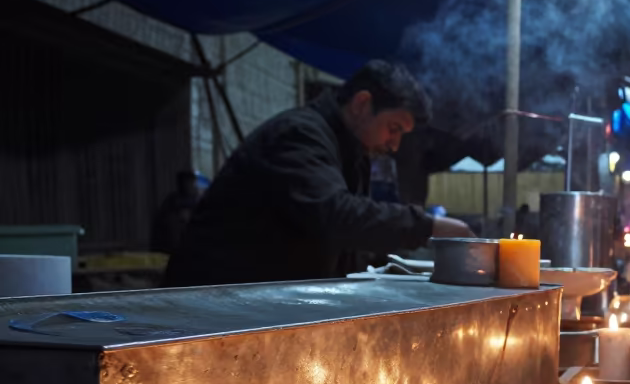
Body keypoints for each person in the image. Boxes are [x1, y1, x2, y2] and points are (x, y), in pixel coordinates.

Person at [164, 61, 472, 287]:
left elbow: (348, 245)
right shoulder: (299, 135)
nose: (394, 145)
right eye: (393, 129)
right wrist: (430, 225)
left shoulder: (353, 152)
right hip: (213, 301)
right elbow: (336, 215)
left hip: (264, 301)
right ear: (362, 104)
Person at [150, 169, 202, 255]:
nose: (192, 186)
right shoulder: (171, 204)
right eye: (189, 182)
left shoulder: (193, 200)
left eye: (192, 182)